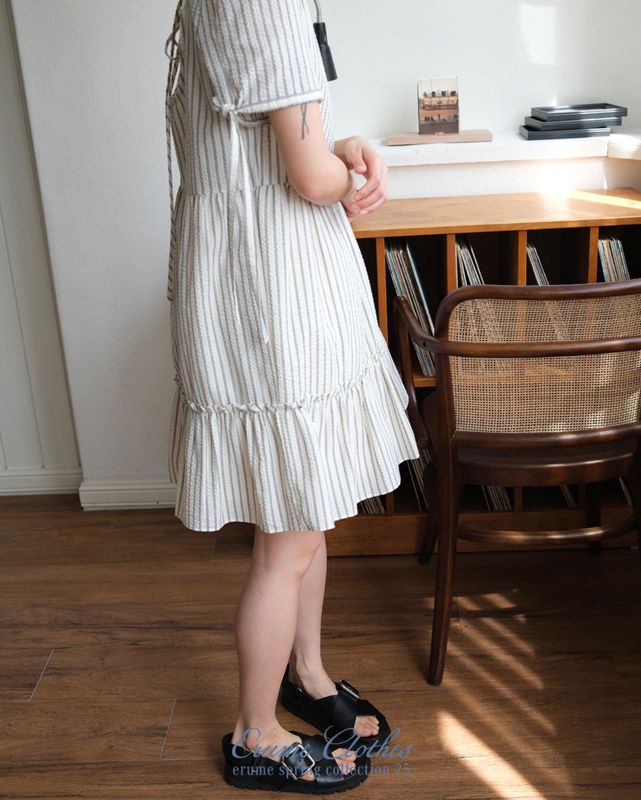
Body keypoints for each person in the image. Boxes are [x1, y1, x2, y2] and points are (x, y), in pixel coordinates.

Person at [164, 0, 420, 791]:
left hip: (246, 269)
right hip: (273, 285)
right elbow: (309, 180)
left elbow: (270, 141)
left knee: (303, 508)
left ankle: (304, 675)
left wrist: (332, 148)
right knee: (289, 536)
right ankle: (256, 734)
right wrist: (347, 171)